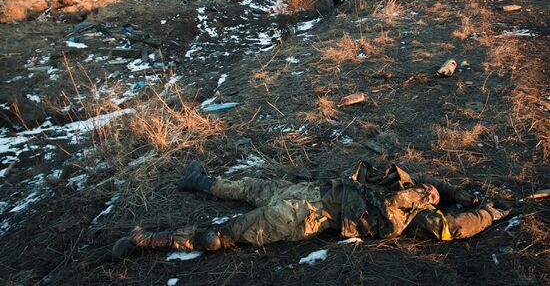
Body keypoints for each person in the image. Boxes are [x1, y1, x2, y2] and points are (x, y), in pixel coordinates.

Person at [112, 161, 510, 261]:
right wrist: (457, 192)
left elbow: (456, 228)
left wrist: (490, 213)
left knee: (225, 234)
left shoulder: (415, 216)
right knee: (252, 186)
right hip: (309, 190)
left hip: (306, 217)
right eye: (429, 189)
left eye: (432, 195)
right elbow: (438, 189)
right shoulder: (406, 185)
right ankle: (199, 182)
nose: (428, 190)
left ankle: (148, 241)